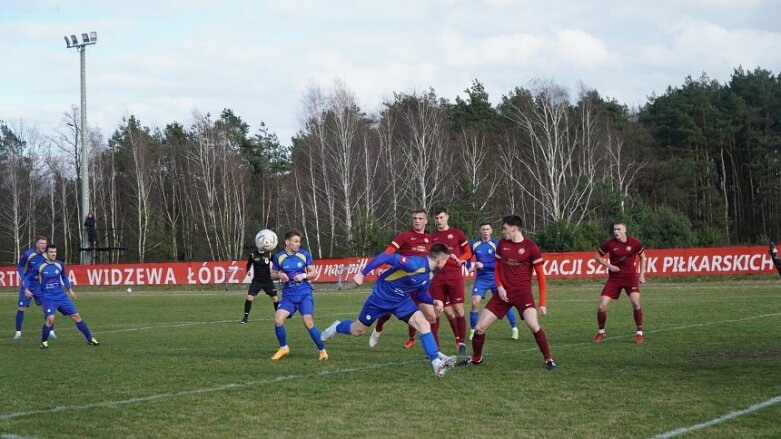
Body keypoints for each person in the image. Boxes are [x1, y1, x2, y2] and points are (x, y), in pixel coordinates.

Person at [320, 244, 458, 377]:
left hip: (401, 301)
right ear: (440, 260)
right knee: (358, 330)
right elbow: (384, 256)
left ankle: (436, 363)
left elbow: (421, 293)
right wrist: (362, 273)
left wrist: (433, 301)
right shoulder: (414, 264)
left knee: (423, 324)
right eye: (446, 260)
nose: (446, 263)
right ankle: (336, 327)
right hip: (381, 298)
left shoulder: (431, 273)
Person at [463, 215, 556, 370]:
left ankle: (548, 359)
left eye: (505, 228)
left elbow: (541, 277)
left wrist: (543, 303)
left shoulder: (531, 247)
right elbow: (497, 268)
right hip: (502, 295)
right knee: (479, 328)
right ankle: (476, 358)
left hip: (523, 295)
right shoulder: (502, 245)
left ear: (514, 228)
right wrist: (499, 287)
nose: (503, 232)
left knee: (534, 326)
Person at [368, 209, 433, 349]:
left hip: (418, 283)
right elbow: (389, 251)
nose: (417, 220)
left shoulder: (430, 240)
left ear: (426, 221)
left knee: (420, 312)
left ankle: (413, 339)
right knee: (386, 312)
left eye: (420, 218)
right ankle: (378, 328)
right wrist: (380, 266)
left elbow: (434, 259)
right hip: (400, 281)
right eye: (415, 218)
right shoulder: (405, 236)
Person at [23, 244, 100, 349]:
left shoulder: (59, 264)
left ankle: (90, 339)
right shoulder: (39, 266)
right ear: (46, 253)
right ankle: (44, 342)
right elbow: (27, 278)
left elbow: (64, 277)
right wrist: (26, 289)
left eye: (55, 252)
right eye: (51, 252)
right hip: (47, 297)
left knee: (76, 316)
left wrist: (70, 290)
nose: (53, 254)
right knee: (50, 319)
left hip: (61, 296)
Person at [269, 229, 327, 361]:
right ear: (287, 242)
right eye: (295, 241)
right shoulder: (279, 257)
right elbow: (272, 274)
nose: (298, 244)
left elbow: (314, 273)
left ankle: (322, 351)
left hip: (304, 294)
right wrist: (279, 275)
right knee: (278, 319)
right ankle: (284, 348)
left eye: (299, 242)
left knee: (308, 322)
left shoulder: (304, 255)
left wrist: (304, 275)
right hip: (288, 296)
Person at [592, 222, 647, 344]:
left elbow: (643, 257)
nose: (616, 231)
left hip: (630, 278)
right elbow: (597, 257)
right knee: (601, 306)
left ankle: (639, 332)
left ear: (624, 230)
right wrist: (609, 265)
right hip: (614, 278)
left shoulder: (634, 243)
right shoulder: (610, 244)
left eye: (618, 229)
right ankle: (601, 332)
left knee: (635, 302)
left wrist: (641, 274)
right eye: (614, 229)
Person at [429, 207, 472, 354]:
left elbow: (468, 252)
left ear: (447, 217)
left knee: (458, 310)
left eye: (441, 217)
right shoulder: (432, 237)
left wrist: (461, 259)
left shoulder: (457, 234)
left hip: (454, 276)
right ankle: (435, 348)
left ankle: (461, 342)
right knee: (436, 311)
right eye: (436, 218)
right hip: (437, 278)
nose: (439, 221)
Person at [468, 222, 519, 341]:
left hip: (496, 277)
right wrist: (468, 266)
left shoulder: (497, 244)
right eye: (483, 229)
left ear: (491, 231)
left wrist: (483, 265)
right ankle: (473, 330)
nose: (485, 231)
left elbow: (500, 263)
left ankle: (514, 328)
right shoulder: (474, 244)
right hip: (481, 278)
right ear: (480, 231)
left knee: (505, 301)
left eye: (487, 229)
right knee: (475, 302)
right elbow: (466, 257)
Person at [13, 235, 56, 341]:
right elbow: (19, 266)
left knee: (47, 308)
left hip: (40, 286)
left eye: (45, 244)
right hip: (27, 285)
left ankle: (51, 331)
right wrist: (23, 280)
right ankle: (18, 333)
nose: (43, 245)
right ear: (36, 244)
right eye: (41, 243)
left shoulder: (47, 255)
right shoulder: (28, 253)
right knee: (21, 308)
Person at [240, 247, 278, 324]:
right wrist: (247, 271)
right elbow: (248, 264)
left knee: (275, 298)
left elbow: (277, 262)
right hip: (257, 281)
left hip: (268, 281)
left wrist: (276, 270)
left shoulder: (269, 254)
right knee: (249, 297)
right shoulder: (253, 254)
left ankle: (279, 316)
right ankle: (245, 317)